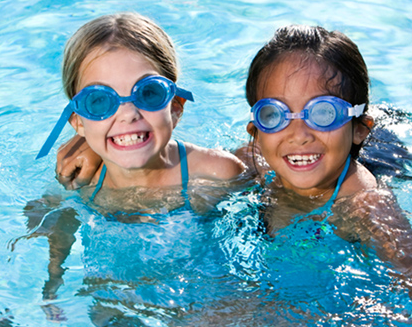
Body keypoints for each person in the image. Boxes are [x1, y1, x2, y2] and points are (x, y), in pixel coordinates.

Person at [56, 24, 412, 282]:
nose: (299, 135)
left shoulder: (367, 205)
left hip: (389, 152)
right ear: (256, 130)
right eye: (275, 115)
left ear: (358, 127)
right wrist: (99, 142)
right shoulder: (257, 161)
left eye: (324, 112)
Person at [21, 12, 248, 323]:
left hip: (202, 308)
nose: (128, 114)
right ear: (78, 122)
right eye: (99, 101)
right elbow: (52, 218)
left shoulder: (213, 172)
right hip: (112, 303)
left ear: (176, 106)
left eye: (149, 93)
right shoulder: (80, 181)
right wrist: (53, 279)